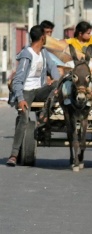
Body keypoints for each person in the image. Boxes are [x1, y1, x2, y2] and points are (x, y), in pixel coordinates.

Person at [6, 25, 61, 167]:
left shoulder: (43, 52)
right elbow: (17, 80)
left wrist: (55, 79)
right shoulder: (27, 54)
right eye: (45, 35)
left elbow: (52, 67)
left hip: (39, 90)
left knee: (56, 86)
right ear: (42, 37)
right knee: (23, 119)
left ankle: (43, 113)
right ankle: (13, 154)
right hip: (26, 92)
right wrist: (20, 99)